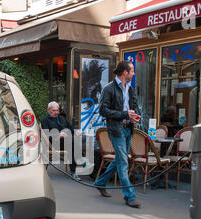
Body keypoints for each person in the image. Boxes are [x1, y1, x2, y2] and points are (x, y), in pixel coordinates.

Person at [93, 61, 142, 208]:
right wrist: (124, 114)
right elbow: (102, 110)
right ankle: (130, 196)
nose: (133, 73)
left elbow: (132, 107)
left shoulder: (130, 88)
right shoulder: (109, 88)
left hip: (128, 128)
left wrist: (134, 116)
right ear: (125, 73)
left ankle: (100, 182)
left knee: (120, 160)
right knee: (123, 162)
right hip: (116, 129)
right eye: (132, 71)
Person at [41, 101, 82, 181]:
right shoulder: (45, 120)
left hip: (66, 141)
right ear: (48, 110)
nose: (56, 112)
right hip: (53, 143)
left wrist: (76, 131)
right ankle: (76, 167)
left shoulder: (61, 118)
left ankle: (79, 161)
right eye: (54, 110)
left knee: (80, 139)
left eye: (57, 110)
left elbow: (70, 127)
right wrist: (58, 135)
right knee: (72, 142)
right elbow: (46, 135)